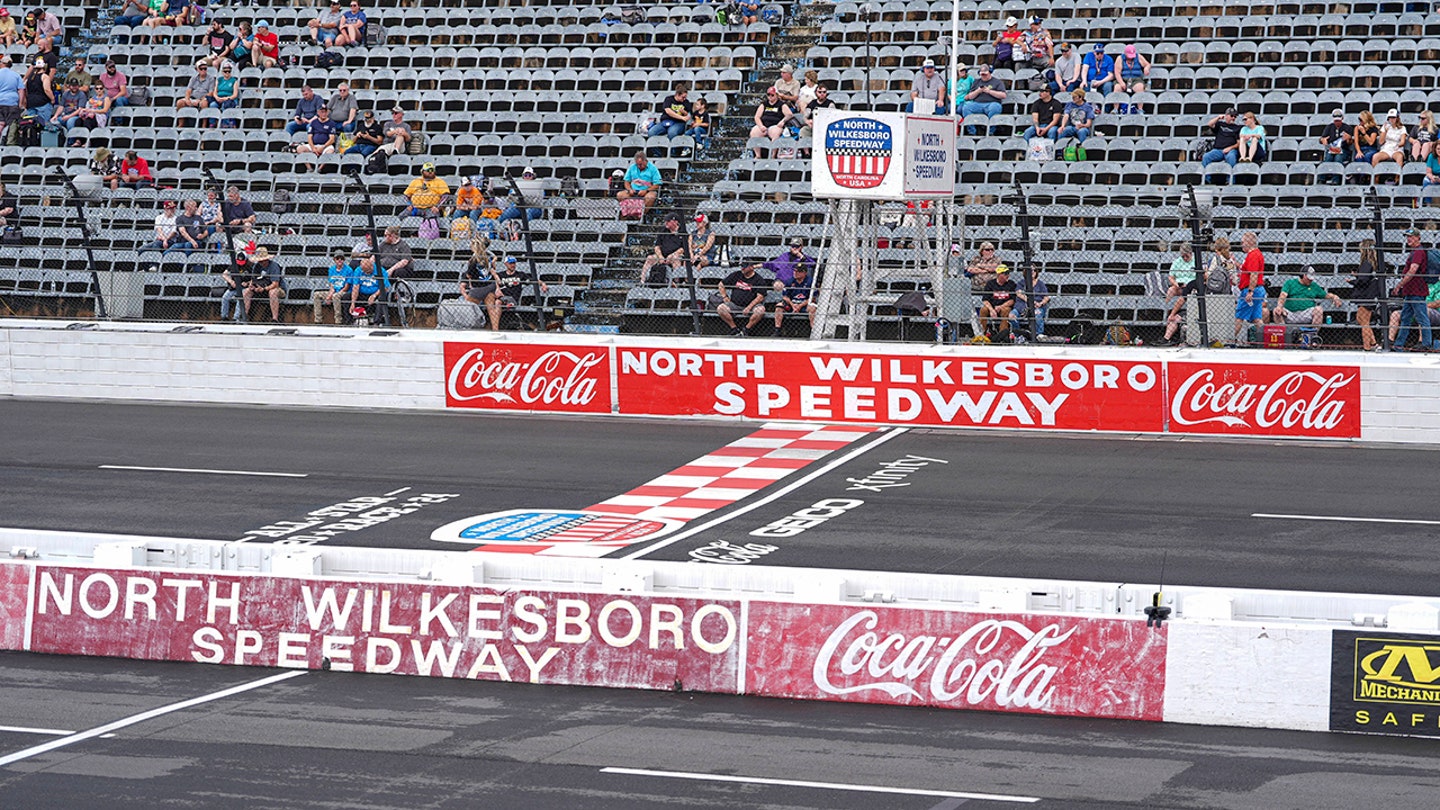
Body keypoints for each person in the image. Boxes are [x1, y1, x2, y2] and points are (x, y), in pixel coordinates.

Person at [1391, 227, 1432, 350]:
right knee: (1405, 317)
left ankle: (1426, 343)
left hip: (1416, 290)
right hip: (1411, 291)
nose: (1409, 239)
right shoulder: (1415, 251)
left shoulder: (1418, 252)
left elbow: (1413, 270)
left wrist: (1400, 284)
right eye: (1408, 237)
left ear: (1418, 237)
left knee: (1421, 316)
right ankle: (1399, 344)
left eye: (1412, 236)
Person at [1271, 265, 1343, 328]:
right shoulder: (1290, 283)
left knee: (1319, 309)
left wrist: (1334, 296)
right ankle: (1284, 334)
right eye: (1308, 278)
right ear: (1303, 275)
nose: (1310, 280)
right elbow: (1283, 295)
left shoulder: (1314, 285)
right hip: (1290, 313)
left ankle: (1312, 336)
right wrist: (1279, 306)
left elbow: (1326, 295)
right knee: (1276, 311)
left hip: (1306, 314)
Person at [1348, 239, 1384, 352]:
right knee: (1361, 318)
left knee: (1364, 321)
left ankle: (1367, 347)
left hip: (1366, 295)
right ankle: (1373, 343)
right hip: (1371, 294)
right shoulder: (1374, 263)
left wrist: (1352, 281)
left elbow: (1363, 280)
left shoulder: (1367, 263)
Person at [494, 255, 547, 328]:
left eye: (514, 263)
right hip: (501, 297)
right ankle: (495, 326)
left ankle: (495, 327)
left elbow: (533, 280)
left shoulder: (520, 275)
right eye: (510, 263)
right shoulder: (500, 275)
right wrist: (497, 288)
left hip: (513, 299)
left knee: (498, 302)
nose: (513, 265)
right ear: (505, 264)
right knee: (496, 300)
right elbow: (493, 279)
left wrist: (542, 284)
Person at [1160, 244, 1197, 345]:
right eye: (1183, 256)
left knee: (1187, 293)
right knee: (1171, 290)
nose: (1185, 258)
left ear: (1191, 254)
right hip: (1179, 286)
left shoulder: (1196, 262)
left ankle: (1172, 313)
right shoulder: (1177, 262)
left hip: (1191, 287)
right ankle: (1166, 310)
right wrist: (1175, 284)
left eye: (1187, 256)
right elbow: (1171, 277)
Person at [1233, 231, 1266, 345]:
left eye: (1243, 242)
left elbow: (1253, 274)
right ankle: (1265, 339)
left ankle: (1229, 340)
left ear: (1249, 242)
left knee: (1239, 316)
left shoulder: (1252, 255)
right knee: (1256, 318)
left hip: (1251, 290)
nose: (1242, 245)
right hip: (1258, 289)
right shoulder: (1257, 254)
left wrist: (1250, 291)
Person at [717, 263, 767, 336]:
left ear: (751, 267)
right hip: (735, 304)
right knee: (720, 308)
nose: (742, 268)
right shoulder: (737, 275)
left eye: (745, 267)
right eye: (741, 266)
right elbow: (721, 284)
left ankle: (746, 329)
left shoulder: (758, 279)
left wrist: (749, 307)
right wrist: (725, 297)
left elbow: (760, 297)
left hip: (752, 306)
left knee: (760, 310)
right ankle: (734, 329)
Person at [642, 212, 689, 286]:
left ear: (675, 222)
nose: (666, 223)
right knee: (650, 258)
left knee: (675, 258)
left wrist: (672, 255)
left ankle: (676, 282)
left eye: (668, 221)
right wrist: (660, 256)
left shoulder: (682, 232)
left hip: (675, 255)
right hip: (662, 255)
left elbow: (684, 248)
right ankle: (642, 281)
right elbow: (657, 246)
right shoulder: (663, 231)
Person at [1200, 107, 1243, 183]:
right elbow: (1210, 124)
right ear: (1226, 115)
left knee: (1231, 157)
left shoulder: (1237, 128)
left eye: (1235, 116)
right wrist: (1218, 118)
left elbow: (1239, 143)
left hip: (1231, 150)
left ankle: (1230, 180)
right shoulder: (1220, 124)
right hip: (1218, 150)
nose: (1233, 118)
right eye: (1231, 116)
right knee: (1206, 156)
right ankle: (1207, 180)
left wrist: (1230, 148)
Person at [959, 64, 1006, 134]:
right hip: (977, 104)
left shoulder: (997, 82)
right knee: (966, 107)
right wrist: (978, 91)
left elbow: (1003, 95)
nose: (983, 76)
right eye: (982, 74)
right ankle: (972, 131)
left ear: (990, 73)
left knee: (995, 107)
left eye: (985, 74)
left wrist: (989, 91)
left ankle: (990, 131)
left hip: (991, 103)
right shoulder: (976, 82)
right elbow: (970, 96)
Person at [244, 247, 285, 323]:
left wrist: (264, 289)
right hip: (260, 287)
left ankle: (274, 319)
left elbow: (275, 284)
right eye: (259, 261)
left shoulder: (274, 266)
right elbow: (253, 279)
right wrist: (251, 286)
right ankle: (244, 316)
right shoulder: (256, 266)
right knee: (246, 292)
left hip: (275, 288)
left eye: (262, 261)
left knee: (273, 292)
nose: (261, 263)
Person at [349, 248, 389, 325]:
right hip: (363, 294)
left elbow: (385, 287)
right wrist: (353, 302)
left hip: (376, 293)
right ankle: (348, 322)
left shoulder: (380, 270)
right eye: (363, 271)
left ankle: (376, 323)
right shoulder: (358, 270)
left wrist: (374, 295)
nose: (365, 273)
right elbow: (356, 287)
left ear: (372, 267)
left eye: (367, 271)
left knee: (382, 298)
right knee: (346, 297)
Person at [312, 251, 354, 324]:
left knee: (335, 296)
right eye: (337, 258)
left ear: (344, 260)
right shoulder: (331, 269)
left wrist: (335, 294)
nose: (339, 260)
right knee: (316, 294)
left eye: (341, 258)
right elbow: (332, 285)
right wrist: (329, 296)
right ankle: (318, 320)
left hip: (344, 292)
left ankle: (338, 320)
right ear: (334, 260)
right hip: (334, 291)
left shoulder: (348, 270)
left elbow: (346, 287)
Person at [748, 87, 791, 157]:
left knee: (775, 133)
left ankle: (773, 155)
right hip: (764, 124)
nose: (770, 97)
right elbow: (757, 116)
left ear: (776, 95)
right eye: (768, 95)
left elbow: (789, 114)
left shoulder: (781, 104)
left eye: (772, 95)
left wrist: (783, 121)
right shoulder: (764, 104)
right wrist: (761, 126)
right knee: (754, 132)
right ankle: (758, 155)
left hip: (775, 125)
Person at [979, 264, 1018, 339]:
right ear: (999, 274)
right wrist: (991, 310)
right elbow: (985, 300)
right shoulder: (990, 284)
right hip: (992, 306)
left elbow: (1012, 300)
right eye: (1005, 274)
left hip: (1004, 306)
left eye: (1008, 273)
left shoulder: (1011, 284)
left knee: (1006, 310)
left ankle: (1001, 336)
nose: (1008, 275)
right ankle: (982, 334)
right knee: (983, 310)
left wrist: (1000, 307)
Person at [773, 262, 815, 332]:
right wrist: (793, 305)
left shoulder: (811, 282)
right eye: (794, 271)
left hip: (805, 305)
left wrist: (800, 306)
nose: (795, 273)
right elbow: (785, 296)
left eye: (798, 271)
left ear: (804, 273)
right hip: (792, 304)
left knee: (812, 308)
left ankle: (813, 331)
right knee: (779, 306)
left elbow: (813, 298)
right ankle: (777, 330)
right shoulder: (790, 281)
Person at [1012, 266, 1050, 337]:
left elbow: (1046, 297)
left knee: (1038, 315)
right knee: (1012, 316)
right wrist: (1030, 302)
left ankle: (1039, 335)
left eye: (1034, 270)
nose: (1032, 272)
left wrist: (1040, 303)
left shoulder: (1040, 284)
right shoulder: (1021, 283)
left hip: (1036, 306)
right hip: (1022, 306)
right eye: (1030, 270)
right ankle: (1018, 335)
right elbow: (1019, 293)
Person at [796, 85, 833, 156]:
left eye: (824, 92)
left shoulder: (830, 104)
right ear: (816, 93)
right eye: (820, 92)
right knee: (803, 131)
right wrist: (808, 121)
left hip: (824, 127)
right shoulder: (812, 103)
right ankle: (807, 154)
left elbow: (832, 117)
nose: (822, 94)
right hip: (812, 125)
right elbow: (805, 116)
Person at [1111, 44, 1149, 113]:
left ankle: (1140, 109)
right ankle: (1115, 108)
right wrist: (1121, 82)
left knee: (1140, 87)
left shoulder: (1139, 57)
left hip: (1136, 79)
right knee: (1117, 88)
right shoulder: (1120, 58)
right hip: (1123, 79)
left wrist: (1146, 68)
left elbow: (1147, 64)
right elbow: (1117, 72)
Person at [1319, 109, 1352, 182]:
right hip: (1331, 149)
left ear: (1342, 119)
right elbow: (1322, 138)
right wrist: (1323, 140)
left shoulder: (1347, 128)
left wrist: (1348, 139)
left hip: (1343, 150)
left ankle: (1336, 179)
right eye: (1335, 121)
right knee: (1328, 158)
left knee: (1338, 158)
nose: (1337, 122)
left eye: (1338, 121)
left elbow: (1350, 143)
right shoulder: (1329, 127)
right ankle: (1322, 178)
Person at [219, 251, 252, 322]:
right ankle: (224, 317)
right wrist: (231, 281)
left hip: (244, 288)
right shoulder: (234, 265)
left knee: (240, 298)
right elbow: (224, 274)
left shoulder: (250, 267)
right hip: (234, 287)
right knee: (225, 297)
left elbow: (254, 279)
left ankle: (236, 318)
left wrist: (247, 283)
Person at [0, 54, 18, 144]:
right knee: (12, 123)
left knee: (0, 123)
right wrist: (21, 102)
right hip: (12, 102)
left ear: (2, 63)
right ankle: (10, 143)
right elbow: (21, 90)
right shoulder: (16, 75)